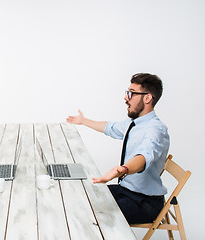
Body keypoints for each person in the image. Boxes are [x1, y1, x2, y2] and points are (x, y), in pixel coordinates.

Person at [66, 73, 169, 224]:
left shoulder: (155, 130)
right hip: (126, 191)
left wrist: (123, 169)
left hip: (144, 202)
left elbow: (144, 156)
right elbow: (110, 127)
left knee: (91, 215)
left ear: (147, 98)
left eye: (131, 93)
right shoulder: (136, 123)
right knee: (84, 197)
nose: (126, 98)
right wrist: (83, 121)